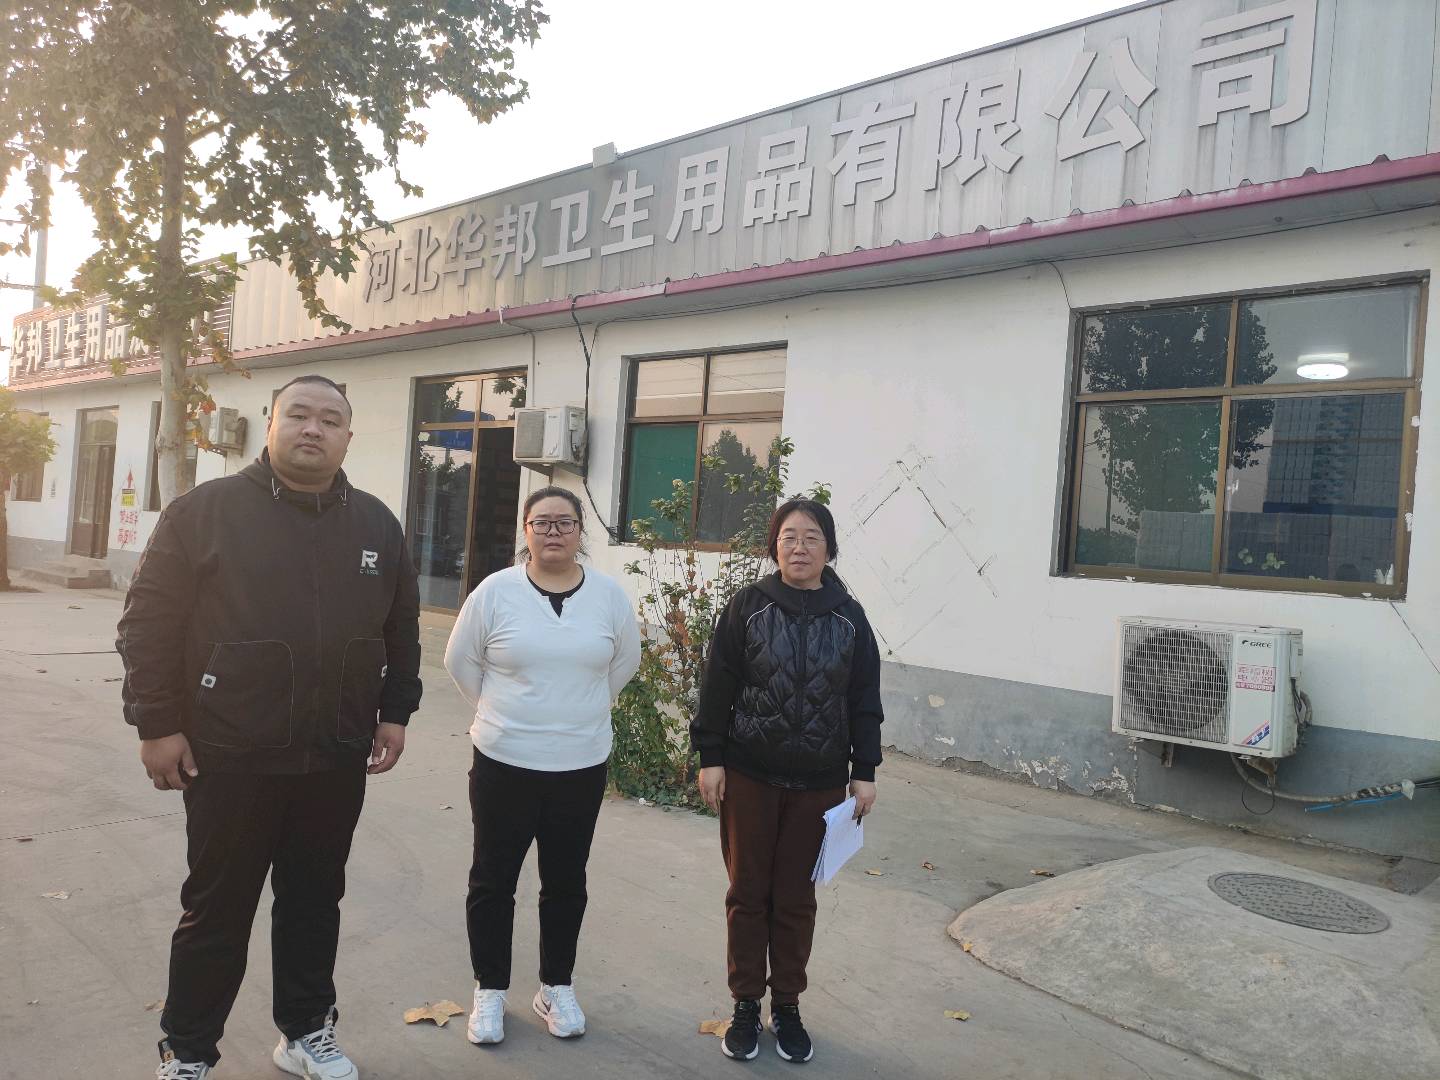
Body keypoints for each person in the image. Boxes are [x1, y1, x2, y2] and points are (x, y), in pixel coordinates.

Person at [117, 375, 422, 1080]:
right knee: (216, 909)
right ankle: (188, 1050)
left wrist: (395, 711)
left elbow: (400, 626)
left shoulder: (376, 524)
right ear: (271, 423)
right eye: (300, 415)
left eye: (330, 420)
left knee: (315, 901)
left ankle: (306, 1030)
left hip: (336, 753)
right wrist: (157, 723)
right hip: (230, 753)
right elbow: (147, 624)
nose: (314, 429)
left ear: (349, 436)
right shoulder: (206, 512)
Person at [443, 485, 641, 1046]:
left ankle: (556, 986)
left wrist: (580, 710)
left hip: (581, 764)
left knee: (566, 881)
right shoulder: (494, 592)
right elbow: (461, 661)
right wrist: (504, 713)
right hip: (504, 761)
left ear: (581, 532)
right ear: (525, 532)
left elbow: (625, 661)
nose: (553, 532)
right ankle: (490, 989)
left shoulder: (608, 596)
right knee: (493, 880)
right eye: (542, 523)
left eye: (565, 523)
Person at [692, 498, 884, 1064]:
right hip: (750, 775)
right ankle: (746, 1004)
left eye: (811, 537)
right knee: (748, 893)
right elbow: (718, 685)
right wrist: (711, 757)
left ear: (829, 548)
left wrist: (864, 772)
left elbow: (864, 699)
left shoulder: (850, 617)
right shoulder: (748, 607)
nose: (800, 547)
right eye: (789, 537)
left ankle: (788, 1006)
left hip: (819, 784)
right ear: (774, 547)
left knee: (796, 900)